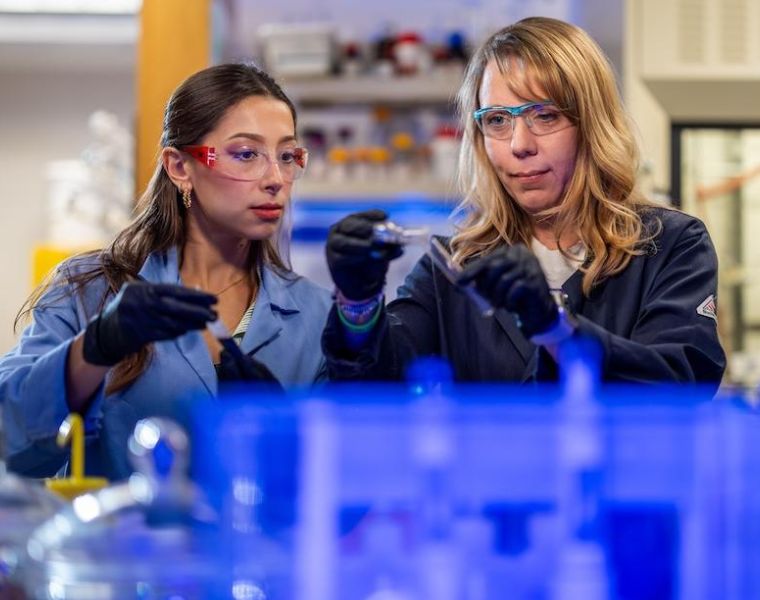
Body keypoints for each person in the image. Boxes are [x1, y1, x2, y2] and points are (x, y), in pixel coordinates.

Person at [322, 17, 726, 386]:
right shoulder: (454, 266)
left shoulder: (668, 246)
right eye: (497, 120)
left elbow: (682, 382)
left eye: (544, 115)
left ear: (591, 123)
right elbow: (379, 391)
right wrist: (358, 306)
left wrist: (556, 327)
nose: (519, 145)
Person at [0, 63, 332, 480]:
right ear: (179, 167)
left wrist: (280, 431)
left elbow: (333, 487)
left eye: (287, 157)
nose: (275, 179)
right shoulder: (89, 291)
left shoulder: (317, 316)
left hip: (256, 546)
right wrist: (95, 348)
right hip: (117, 545)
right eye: (246, 154)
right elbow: (9, 439)